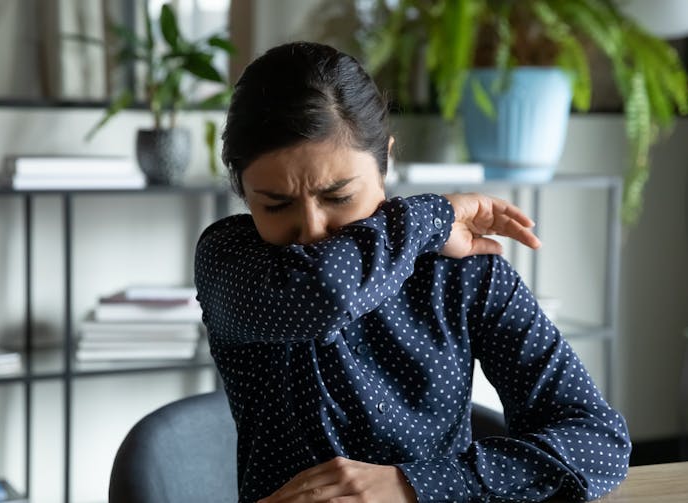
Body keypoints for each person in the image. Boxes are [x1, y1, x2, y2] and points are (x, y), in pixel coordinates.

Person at [195, 41, 630, 503]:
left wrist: (412, 484)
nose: (313, 231)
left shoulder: (462, 273)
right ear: (242, 189)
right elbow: (325, 294)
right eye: (276, 205)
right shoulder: (230, 259)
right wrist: (436, 214)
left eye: (339, 197)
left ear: (387, 159)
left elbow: (599, 442)